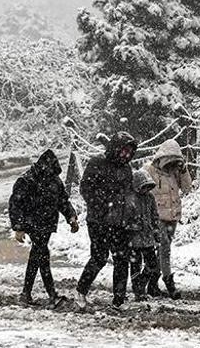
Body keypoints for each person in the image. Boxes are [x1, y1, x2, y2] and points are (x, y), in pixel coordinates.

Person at [8, 149, 79, 307]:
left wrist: (71, 217)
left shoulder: (54, 181)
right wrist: (19, 228)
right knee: (42, 255)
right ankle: (49, 294)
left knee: (38, 256)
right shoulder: (27, 180)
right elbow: (15, 205)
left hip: (46, 225)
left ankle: (28, 294)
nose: (51, 174)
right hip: (33, 224)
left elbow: (63, 202)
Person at [75, 131, 137, 310]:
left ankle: (119, 300)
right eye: (124, 151)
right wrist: (103, 205)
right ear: (116, 148)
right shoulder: (97, 163)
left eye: (129, 153)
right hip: (98, 220)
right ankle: (80, 290)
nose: (126, 155)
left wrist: (130, 213)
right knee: (99, 257)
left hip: (120, 221)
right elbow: (85, 188)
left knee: (121, 259)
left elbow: (128, 193)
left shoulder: (126, 169)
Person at [144, 139, 192, 299]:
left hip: (172, 217)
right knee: (164, 250)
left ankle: (151, 283)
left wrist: (184, 170)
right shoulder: (149, 170)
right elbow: (140, 188)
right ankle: (169, 283)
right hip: (156, 218)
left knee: (162, 252)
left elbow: (187, 188)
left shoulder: (176, 173)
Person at [123, 168, 161, 301]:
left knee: (152, 263)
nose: (146, 190)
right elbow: (125, 219)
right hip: (134, 239)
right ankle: (138, 290)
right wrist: (132, 226)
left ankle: (141, 282)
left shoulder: (150, 198)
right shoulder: (130, 199)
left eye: (148, 187)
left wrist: (156, 230)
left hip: (148, 236)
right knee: (135, 264)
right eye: (143, 187)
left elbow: (154, 215)